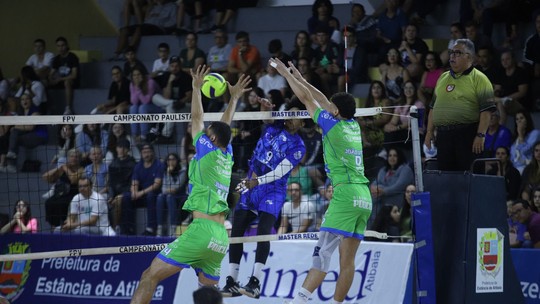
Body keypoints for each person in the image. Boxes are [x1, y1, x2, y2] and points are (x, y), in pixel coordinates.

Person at [130, 66, 251, 304]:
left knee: (148, 276)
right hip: (219, 238)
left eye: (207, 134)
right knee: (207, 297)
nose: (204, 135)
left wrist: (196, 88)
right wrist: (234, 98)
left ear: (212, 139)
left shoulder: (207, 150)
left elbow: (196, 119)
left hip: (201, 231)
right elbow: (224, 127)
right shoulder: (227, 155)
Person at [271, 57, 372, 304]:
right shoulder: (352, 125)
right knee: (347, 262)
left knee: (322, 254)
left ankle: (299, 301)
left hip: (346, 195)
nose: (326, 108)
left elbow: (308, 100)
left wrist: (287, 75)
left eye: (331, 108)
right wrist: (302, 79)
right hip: (364, 198)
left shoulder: (332, 126)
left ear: (335, 113)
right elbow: (324, 100)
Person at [221, 93, 306, 299]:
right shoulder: (275, 125)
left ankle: (255, 282)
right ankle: (232, 281)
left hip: (273, 189)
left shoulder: (298, 146)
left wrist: (255, 182)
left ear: (302, 122)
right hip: (252, 182)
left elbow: (279, 172)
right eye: (289, 113)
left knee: (263, 231)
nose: (289, 117)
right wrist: (266, 107)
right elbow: (266, 117)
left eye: (295, 116)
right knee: (237, 231)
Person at [424, 39, 496, 171]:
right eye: (451, 52)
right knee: (445, 177)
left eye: (457, 53)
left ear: (470, 57)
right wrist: (429, 132)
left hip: (467, 135)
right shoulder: (443, 78)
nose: (452, 56)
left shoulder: (480, 78)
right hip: (444, 136)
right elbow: (433, 108)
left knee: (468, 178)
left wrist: (480, 135)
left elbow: (486, 111)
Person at [120, 143, 163, 236]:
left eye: (148, 152)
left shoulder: (159, 165)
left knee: (151, 195)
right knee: (126, 197)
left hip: (153, 194)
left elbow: (156, 184)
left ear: (152, 153)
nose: (146, 154)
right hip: (141, 195)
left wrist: (140, 193)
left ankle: (151, 229)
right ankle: (128, 228)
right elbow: (134, 181)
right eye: (144, 152)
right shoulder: (138, 166)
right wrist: (134, 192)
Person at [112, 0, 177, 59]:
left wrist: (161, 23)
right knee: (124, 30)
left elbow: (173, 22)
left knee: (139, 29)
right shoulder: (154, 7)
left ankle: (129, 52)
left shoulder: (172, 7)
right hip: (146, 25)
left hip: (158, 28)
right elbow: (147, 19)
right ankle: (117, 53)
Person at [3, 93, 48, 173]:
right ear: (20, 102)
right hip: (28, 136)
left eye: (27, 99)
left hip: (40, 136)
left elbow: (30, 127)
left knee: (14, 137)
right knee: (13, 135)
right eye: (22, 99)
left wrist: (15, 127)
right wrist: (16, 127)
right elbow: (19, 126)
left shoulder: (35, 111)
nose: (25, 101)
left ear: (31, 101)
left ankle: (11, 162)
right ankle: (11, 157)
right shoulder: (21, 113)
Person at [152, 56, 193, 142]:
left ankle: (166, 135)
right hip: (169, 103)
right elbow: (166, 97)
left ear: (180, 66)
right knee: (155, 97)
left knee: (170, 108)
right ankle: (172, 103)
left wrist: (180, 102)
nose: (174, 68)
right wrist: (170, 82)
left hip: (184, 105)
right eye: (172, 66)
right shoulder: (166, 76)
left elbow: (189, 96)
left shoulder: (186, 77)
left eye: (176, 66)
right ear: (169, 66)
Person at [43, 148, 85, 230]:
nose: (73, 158)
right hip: (60, 193)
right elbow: (46, 177)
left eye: (76, 157)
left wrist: (65, 168)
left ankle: (65, 225)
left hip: (74, 194)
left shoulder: (81, 169)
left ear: (79, 159)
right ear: (68, 158)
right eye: (71, 156)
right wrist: (59, 168)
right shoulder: (63, 168)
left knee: (62, 204)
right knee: (49, 202)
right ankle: (54, 227)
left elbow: (73, 180)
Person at [370, 147, 414, 213]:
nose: (392, 158)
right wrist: (373, 187)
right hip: (382, 201)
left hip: (398, 201)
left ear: (399, 157)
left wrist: (383, 191)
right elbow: (376, 181)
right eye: (390, 155)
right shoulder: (383, 170)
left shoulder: (405, 169)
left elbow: (399, 186)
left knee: (379, 189)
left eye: (395, 156)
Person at [107, 138, 137, 231]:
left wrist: (120, 194)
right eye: (119, 147)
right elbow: (111, 183)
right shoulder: (113, 164)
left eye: (124, 148)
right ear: (116, 149)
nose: (121, 150)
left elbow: (132, 183)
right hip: (114, 193)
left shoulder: (133, 164)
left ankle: (115, 227)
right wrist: (111, 196)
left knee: (120, 200)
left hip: (128, 193)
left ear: (128, 150)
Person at [156, 152, 186, 237]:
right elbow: (163, 189)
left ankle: (173, 229)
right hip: (168, 195)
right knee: (160, 197)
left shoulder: (182, 171)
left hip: (180, 196)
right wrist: (168, 173)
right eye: (169, 160)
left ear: (177, 161)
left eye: (173, 159)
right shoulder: (165, 171)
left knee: (169, 197)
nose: (171, 162)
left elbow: (176, 188)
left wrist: (169, 174)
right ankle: (160, 228)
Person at [48, 36, 80, 115]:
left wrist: (59, 79)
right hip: (60, 81)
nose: (61, 48)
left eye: (62, 45)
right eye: (58, 46)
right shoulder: (56, 59)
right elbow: (51, 73)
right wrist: (50, 79)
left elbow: (74, 75)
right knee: (44, 83)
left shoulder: (72, 57)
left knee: (67, 82)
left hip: (72, 81)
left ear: (66, 46)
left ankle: (68, 108)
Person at [129, 66, 160, 143]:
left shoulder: (150, 82)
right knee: (133, 108)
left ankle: (143, 135)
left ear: (143, 75)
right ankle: (134, 135)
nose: (136, 77)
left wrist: (138, 88)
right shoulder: (132, 84)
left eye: (138, 74)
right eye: (134, 75)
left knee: (142, 107)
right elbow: (134, 102)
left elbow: (146, 101)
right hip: (145, 107)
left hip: (158, 107)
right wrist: (136, 87)